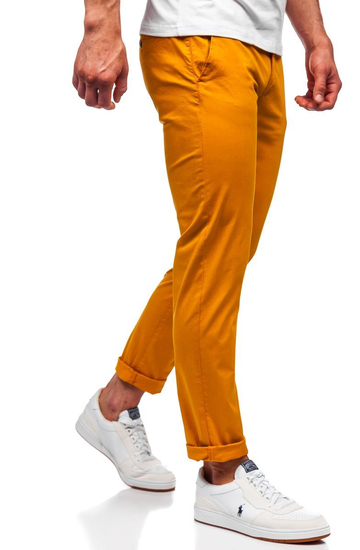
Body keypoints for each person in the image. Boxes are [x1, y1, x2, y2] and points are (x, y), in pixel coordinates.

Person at [72, 0, 342, 543]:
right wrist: (101, 24)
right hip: (198, 40)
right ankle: (223, 470)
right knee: (215, 253)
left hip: (263, 50)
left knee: (223, 253)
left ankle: (115, 404)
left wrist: (316, 37)